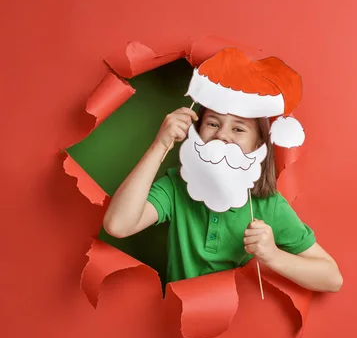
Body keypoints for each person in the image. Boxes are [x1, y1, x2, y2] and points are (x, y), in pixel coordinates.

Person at [103, 105, 343, 293]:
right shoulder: (177, 187)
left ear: (258, 145)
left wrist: (273, 255)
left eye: (238, 129)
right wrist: (160, 145)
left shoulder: (268, 204)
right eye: (212, 123)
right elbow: (118, 225)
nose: (222, 135)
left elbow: (332, 278)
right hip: (178, 328)